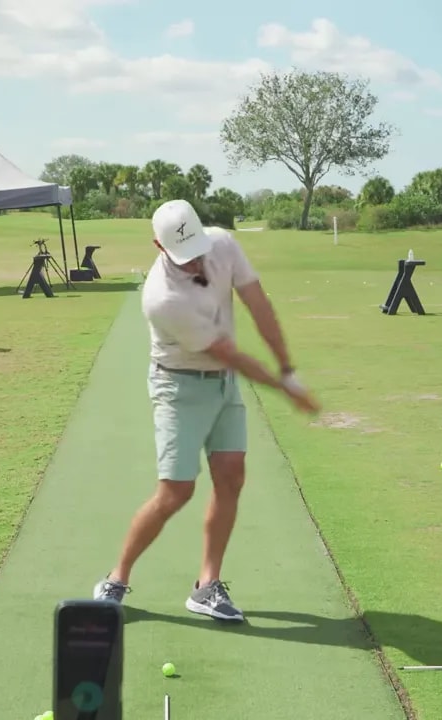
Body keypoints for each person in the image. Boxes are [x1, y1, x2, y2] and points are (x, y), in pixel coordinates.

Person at [92, 199, 320, 622]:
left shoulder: (224, 245)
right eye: (184, 256)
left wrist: (287, 366)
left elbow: (257, 304)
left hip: (224, 386)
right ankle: (116, 578)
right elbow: (229, 353)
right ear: (158, 247)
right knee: (176, 491)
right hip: (178, 387)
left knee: (231, 476)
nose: (196, 262)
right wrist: (285, 389)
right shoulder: (162, 299)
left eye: (197, 249)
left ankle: (206, 585)